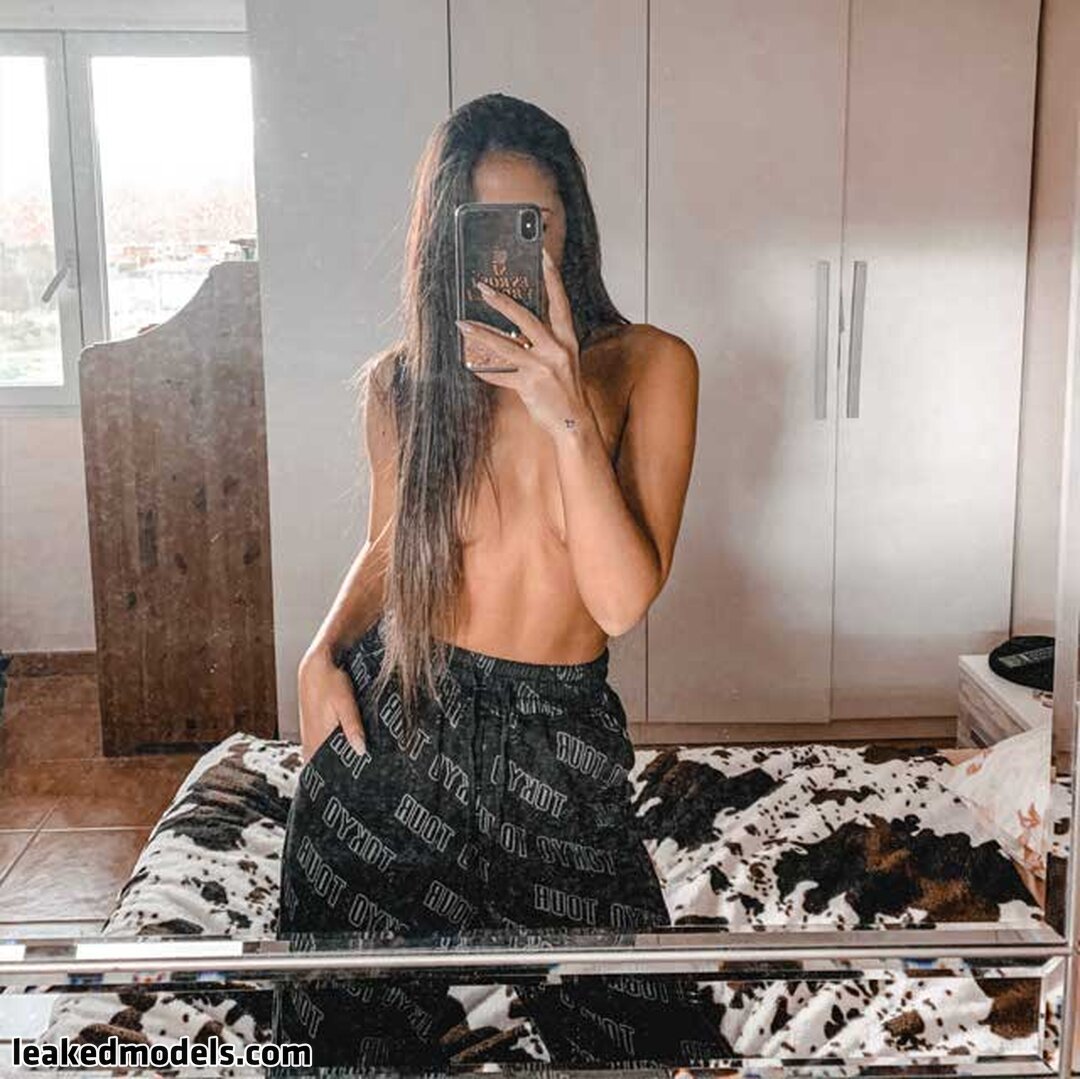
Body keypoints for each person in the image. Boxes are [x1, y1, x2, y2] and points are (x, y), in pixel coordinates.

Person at [272, 92, 718, 1071]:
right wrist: (319, 650)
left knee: (639, 1042)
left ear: (570, 228)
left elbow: (620, 600)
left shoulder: (647, 365)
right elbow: (391, 544)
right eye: (490, 229)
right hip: (405, 714)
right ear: (448, 242)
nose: (522, 255)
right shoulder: (402, 383)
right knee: (345, 1039)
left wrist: (564, 410)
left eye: (538, 225)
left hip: (558, 737)